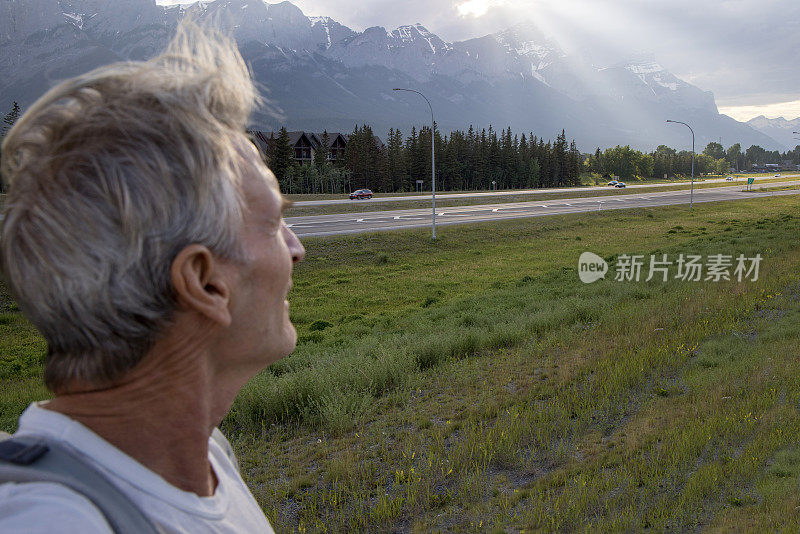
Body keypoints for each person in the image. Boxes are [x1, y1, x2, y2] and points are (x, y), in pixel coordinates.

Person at [0, 20, 304, 533]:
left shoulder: (204, 453)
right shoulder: (50, 519)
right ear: (204, 283)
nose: (296, 249)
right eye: (274, 222)